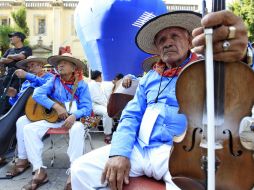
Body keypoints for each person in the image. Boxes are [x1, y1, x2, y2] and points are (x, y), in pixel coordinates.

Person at [70, 10, 250, 190]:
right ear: (157, 49)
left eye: (174, 36)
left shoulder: (207, 69)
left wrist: (242, 54)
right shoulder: (149, 78)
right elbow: (131, 116)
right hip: (139, 149)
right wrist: (119, 152)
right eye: (161, 40)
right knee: (80, 170)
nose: (168, 42)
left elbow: (240, 80)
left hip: (181, 154)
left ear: (189, 42)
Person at [18, 53, 92, 190]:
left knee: (78, 128)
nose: (60, 65)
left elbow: (87, 108)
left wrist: (74, 116)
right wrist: (56, 107)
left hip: (73, 120)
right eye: (58, 63)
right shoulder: (53, 80)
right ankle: (39, 171)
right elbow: (37, 94)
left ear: (73, 67)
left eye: (64, 63)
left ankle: (74, 171)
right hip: (54, 119)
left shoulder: (82, 84)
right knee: (28, 128)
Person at [0, 32, 32, 114]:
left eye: (12, 36)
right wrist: (15, 57)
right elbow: (2, 60)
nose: (10, 38)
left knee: (18, 97)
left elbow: (21, 57)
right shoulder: (9, 50)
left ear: (19, 38)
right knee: (5, 97)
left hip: (21, 78)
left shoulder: (27, 49)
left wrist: (10, 56)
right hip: (8, 77)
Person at [88, 70, 113, 144]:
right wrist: (107, 105)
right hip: (95, 105)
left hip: (99, 104)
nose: (101, 78)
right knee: (107, 112)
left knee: (108, 111)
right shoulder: (92, 85)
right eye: (101, 76)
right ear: (98, 77)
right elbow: (97, 98)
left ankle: (109, 128)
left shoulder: (97, 84)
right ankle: (107, 134)